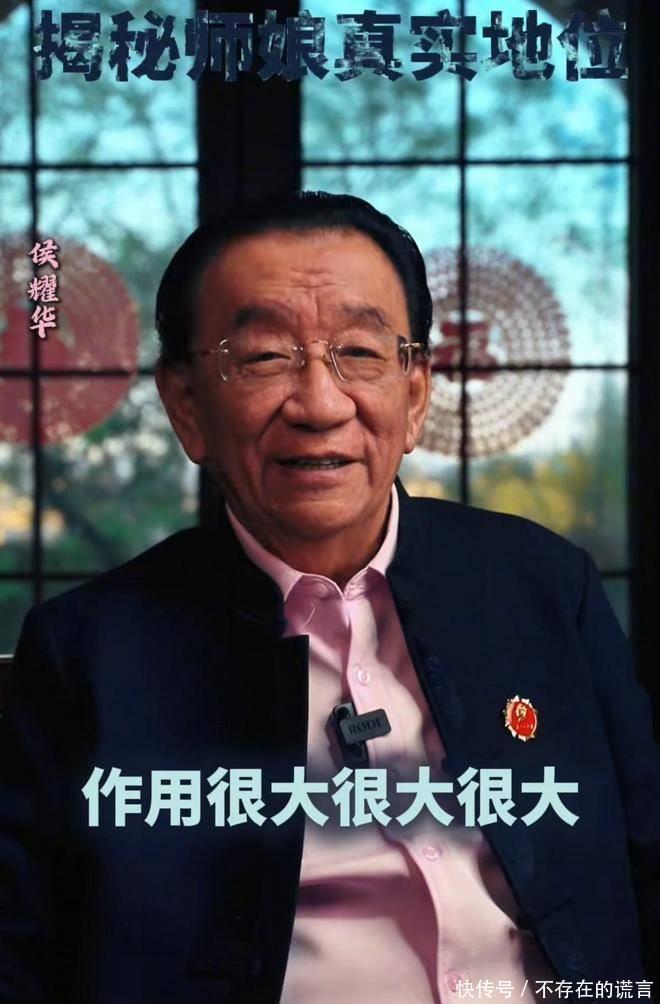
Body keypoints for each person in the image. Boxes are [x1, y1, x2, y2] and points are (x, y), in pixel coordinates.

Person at [0, 192, 658, 1004]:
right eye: (263, 357)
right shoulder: (88, 654)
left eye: (359, 352)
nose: (319, 404)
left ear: (416, 393)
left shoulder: (544, 585)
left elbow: (645, 864)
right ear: (186, 405)